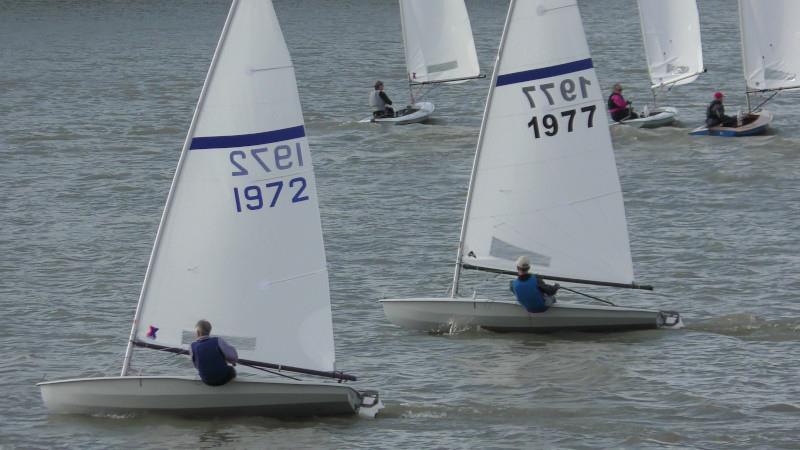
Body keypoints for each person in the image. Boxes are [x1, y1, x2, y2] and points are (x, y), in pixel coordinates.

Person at [189, 319, 238, 386]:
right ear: (209, 331)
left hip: (207, 381)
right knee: (232, 370)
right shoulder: (218, 341)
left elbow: (196, 366)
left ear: (198, 332)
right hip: (223, 379)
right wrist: (231, 361)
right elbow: (233, 357)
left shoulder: (192, 346)